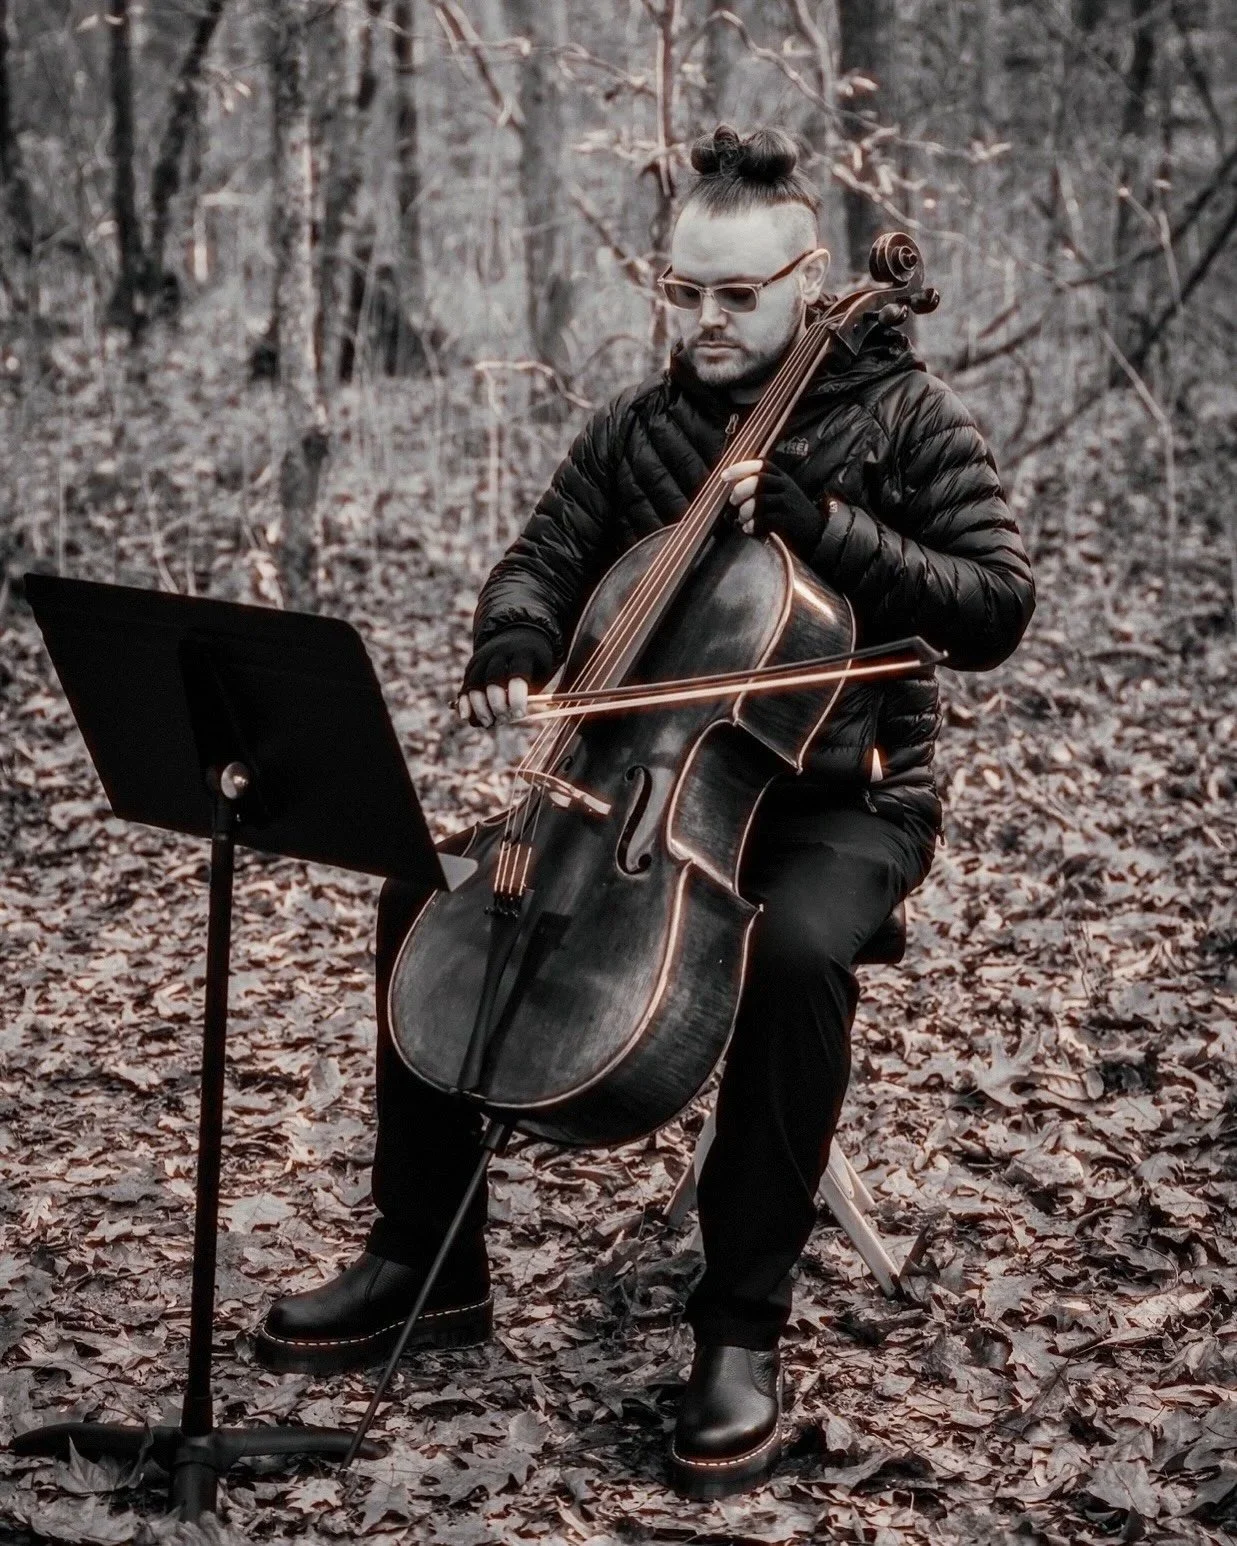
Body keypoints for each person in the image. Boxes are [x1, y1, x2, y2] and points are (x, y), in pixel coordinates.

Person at [255, 124, 1035, 1500]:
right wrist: (512, 637)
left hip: (839, 800)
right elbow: (541, 560)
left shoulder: (913, 422)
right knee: (426, 887)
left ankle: (739, 1331)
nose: (708, 320)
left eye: (738, 294)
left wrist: (828, 528)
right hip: (637, 781)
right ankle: (424, 1261)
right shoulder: (636, 427)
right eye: (686, 291)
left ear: (809, 281)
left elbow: (996, 607)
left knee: (794, 954)